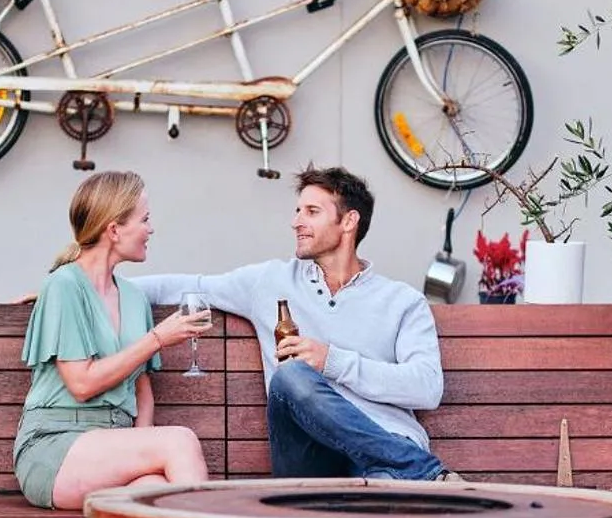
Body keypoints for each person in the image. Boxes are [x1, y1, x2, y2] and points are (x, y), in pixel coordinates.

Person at [15, 170, 286, 518]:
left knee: (164, 496)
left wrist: (143, 463)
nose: (151, 228)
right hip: (54, 447)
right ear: (113, 229)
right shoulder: (64, 286)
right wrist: (159, 339)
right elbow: (83, 381)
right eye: (143, 219)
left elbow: (143, 397)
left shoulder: (134, 297)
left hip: (107, 449)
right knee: (180, 442)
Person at [129, 165, 458, 482]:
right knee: (291, 376)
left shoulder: (402, 301)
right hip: (310, 459)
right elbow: (185, 286)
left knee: (386, 499)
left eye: (311, 212)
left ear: (349, 222)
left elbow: (426, 388)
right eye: (298, 211)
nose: (295, 222)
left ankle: (392, 479)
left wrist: (332, 360)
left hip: (383, 455)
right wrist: (90, 282)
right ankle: (422, 471)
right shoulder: (269, 281)